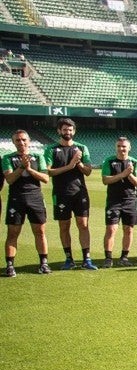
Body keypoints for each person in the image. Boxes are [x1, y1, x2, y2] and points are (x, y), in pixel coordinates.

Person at [43, 117, 95, 270]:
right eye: (65, 130)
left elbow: (88, 171)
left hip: (80, 193)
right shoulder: (51, 149)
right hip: (61, 193)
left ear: (74, 131)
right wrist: (70, 165)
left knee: (83, 225)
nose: (68, 132)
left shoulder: (81, 148)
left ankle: (87, 259)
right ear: (59, 131)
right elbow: (48, 171)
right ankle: (69, 259)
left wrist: (78, 163)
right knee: (64, 226)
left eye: (70, 130)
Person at [3, 130, 50, 276]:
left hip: (35, 197)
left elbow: (45, 178)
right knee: (13, 233)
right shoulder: (7, 158)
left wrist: (29, 168)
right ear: (13, 142)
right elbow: (10, 179)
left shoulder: (38, 157)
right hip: (16, 199)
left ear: (29, 141)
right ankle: (10, 265)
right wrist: (22, 167)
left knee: (40, 232)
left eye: (24, 140)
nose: (21, 142)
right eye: (17, 140)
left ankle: (43, 263)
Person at [100, 136, 137, 267]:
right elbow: (106, 180)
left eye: (124, 146)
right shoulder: (109, 161)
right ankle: (108, 258)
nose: (121, 149)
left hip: (130, 200)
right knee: (111, 229)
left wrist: (129, 174)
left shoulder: (134, 162)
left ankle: (124, 257)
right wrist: (123, 174)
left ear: (129, 148)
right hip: (114, 200)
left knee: (128, 229)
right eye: (119, 146)